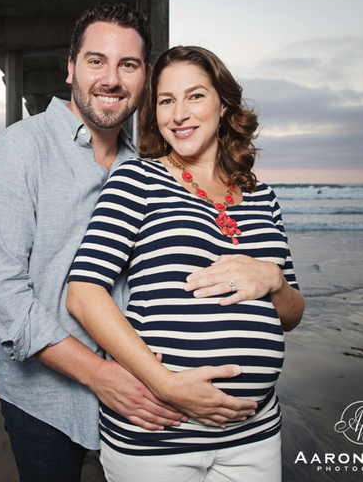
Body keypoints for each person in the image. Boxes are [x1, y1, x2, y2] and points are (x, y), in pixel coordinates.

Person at [0, 6, 257, 482]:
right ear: (70, 68)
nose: (111, 78)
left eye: (128, 64)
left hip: (147, 397)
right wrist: (100, 375)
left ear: (145, 78)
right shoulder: (21, 149)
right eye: (96, 61)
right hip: (49, 403)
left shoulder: (150, 166)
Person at [66, 46, 305, 482]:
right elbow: (83, 294)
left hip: (254, 434)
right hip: (160, 437)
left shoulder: (262, 198)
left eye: (195, 96)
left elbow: (291, 315)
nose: (179, 114)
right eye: (166, 100)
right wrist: (165, 383)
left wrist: (272, 279)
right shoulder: (137, 180)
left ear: (224, 104)